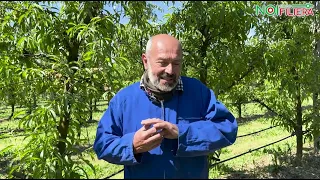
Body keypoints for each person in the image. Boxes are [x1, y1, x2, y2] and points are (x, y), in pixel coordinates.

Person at [93, 34, 238, 179]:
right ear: (145, 61)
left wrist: (182, 134)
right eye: (162, 62)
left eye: (176, 63)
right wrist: (132, 145)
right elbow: (102, 145)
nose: (170, 71)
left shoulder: (198, 92)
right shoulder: (124, 100)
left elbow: (227, 128)